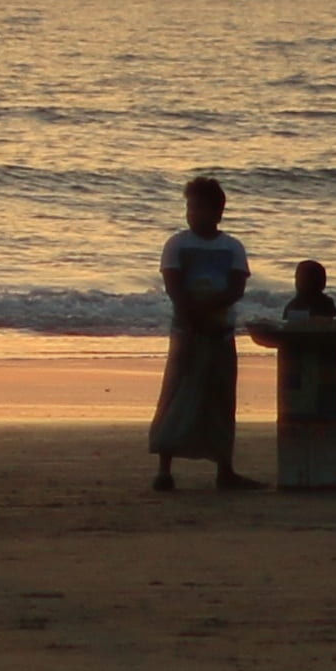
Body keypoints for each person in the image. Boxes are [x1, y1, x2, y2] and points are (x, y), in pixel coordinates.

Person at [149, 176, 257, 495]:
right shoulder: (177, 244)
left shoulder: (232, 247)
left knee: (221, 398)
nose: (192, 213)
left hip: (221, 332)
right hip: (187, 331)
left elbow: (236, 288)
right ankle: (164, 470)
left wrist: (211, 313)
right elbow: (174, 287)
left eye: (199, 207)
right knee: (177, 394)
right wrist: (196, 317)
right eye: (190, 207)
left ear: (218, 212)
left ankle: (225, 469)